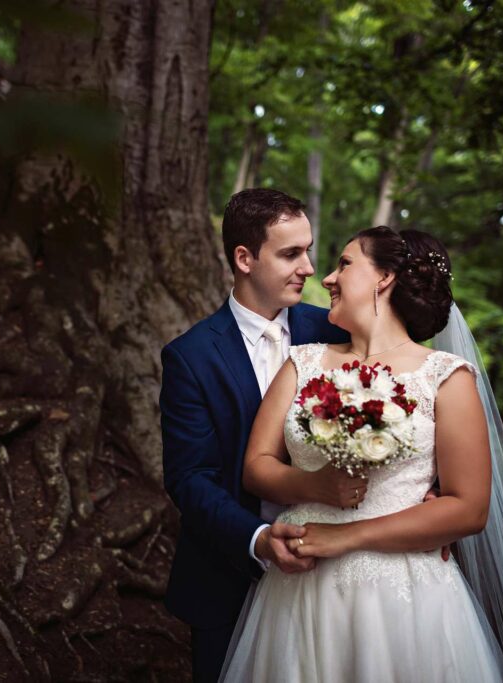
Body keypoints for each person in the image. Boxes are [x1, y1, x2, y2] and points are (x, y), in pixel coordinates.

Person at [220, 226, 503, 682]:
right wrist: (312, 485)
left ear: (384, 277)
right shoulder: (302, 362)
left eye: (344, 264)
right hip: (300, 585)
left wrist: (343, 537)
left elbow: (469, 508)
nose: (327, 278)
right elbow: (256, 467)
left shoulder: (446, 377)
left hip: (403, 592)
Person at [160, 188, 360, 683]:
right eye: (291, 253)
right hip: (229, 574)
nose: (310, 267)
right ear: (244, 258)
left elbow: (402, 409)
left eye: (309, 249)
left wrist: (425, 486)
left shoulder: (336, 331)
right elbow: (191, 479)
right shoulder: (190, 357)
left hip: (333, 573)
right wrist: (258, 540)